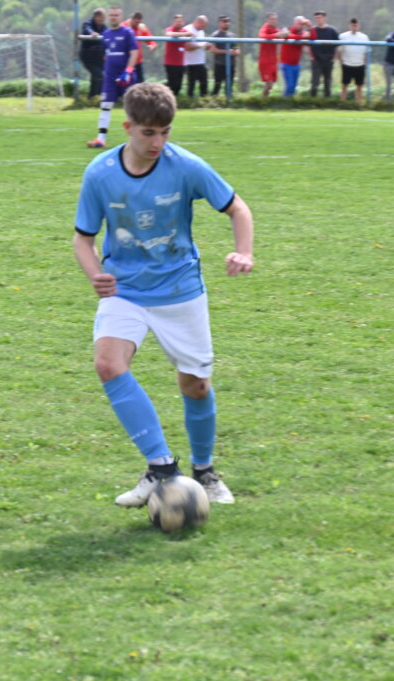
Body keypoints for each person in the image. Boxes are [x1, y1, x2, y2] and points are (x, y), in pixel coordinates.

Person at [73, 82, 254, 507]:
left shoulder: (185, 166)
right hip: (125, 291)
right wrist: (95, 274)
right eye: (148, 133)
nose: (157, 142)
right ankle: (161, 468)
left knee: (195, 385)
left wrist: (243, 251)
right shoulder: (100, 173)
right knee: (108, 364)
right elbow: (83, 239)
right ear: (128, 128)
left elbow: (238, 208)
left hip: (179, 289)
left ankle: (204, 472)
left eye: (165, 132)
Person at [86, 6, 139, 149]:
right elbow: (105, 55)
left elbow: (134, 53)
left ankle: (136, 140)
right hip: (110, 77)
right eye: (111, 15)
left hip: (126, 76)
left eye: (116, 15)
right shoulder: (106, 34)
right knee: (105, 106)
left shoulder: (127, 32)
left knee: (131, 107)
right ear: (108, 17)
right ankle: (100, 139)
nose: (113, 17)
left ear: (120, 17)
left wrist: (128, 72)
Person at [337, 18, 369, 103]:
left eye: (356, 25)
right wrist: (341, 62)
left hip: (360, 65)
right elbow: (339, 50)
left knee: (359, 86)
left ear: (359, 26)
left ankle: (358, 105)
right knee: (344, 86)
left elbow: (366, 52)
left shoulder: (364, 37)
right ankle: (342, 104)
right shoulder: (343, 36)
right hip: (347, 64)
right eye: (353, 25)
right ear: (349, 26)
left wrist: (365, 63)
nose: (354, 27)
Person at [78, 8, 107, 98]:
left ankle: (91, 97)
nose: (102, 19)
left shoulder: (104, 27)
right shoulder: (88, 23)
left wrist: (105, 54)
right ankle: (96, 97)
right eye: (100, 17)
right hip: (88, 57)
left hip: (99, 57)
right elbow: (87, 29)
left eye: (103, 17)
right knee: (99, 75)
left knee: (96, 76)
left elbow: (105, 42)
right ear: (95, 17)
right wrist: (92, 33)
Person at [279, 16, 311, 96]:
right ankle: (285, 101)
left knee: (293, 86)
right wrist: (302, 37)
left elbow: (312, 36)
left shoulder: (303, 33)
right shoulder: (287, 30)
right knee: (289, 86)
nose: (301, 26)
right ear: (295, 23)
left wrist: (309, 26)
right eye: (299, 24)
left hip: (296, 65)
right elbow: (288, 36)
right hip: (286, 64)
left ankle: (289, 101)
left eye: (303, 24)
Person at [308, 11, 338, 97]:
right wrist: (311, 57)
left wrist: (334, 58)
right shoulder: (312, 30)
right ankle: (312, 100)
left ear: (324, 18)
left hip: (329, 60)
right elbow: (307, 45)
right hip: (316, 60)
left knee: (327, 82)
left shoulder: (332, 31)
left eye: (319, 17)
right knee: (315, 82)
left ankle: (326, 100)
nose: (318, 19)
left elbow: (337, 46)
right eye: (316, 18)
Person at [257, 12, 287, 99]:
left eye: (275, 19)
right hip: (265, 61)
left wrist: (285, 34)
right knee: (269, 84)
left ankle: (265, 99)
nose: (274, 21)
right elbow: (262, 36)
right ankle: (262, 100)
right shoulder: (264, 28)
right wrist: (276, 35)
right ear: (267, 20)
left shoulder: (276, 29)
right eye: (272, 19)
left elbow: (283, 35)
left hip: (273, 61)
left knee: (272, 84)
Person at [121, 12, 156, 84]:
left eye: (139, 22)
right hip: (125, 62)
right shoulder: (123, 26)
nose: (137, 24)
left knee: (140, 84)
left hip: (137, 62)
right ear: (131, 19)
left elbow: (151, 41)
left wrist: (152, 46)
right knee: (124, 83)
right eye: (136, 22)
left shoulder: (141, 28)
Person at [209, 15, 240, 96]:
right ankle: (214, 100)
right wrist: (226, 51)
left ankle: (228, 100)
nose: (227, 23)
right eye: (224, 21)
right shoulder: (215, 35)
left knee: (229, 86)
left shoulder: (233, 36)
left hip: (231, 65)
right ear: (219, 23)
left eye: (228, 21)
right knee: (217, 85)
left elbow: (237, 49)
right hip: (219, 64)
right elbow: (212, 49)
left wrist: (235, 52)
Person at [163, 14, 193, 96]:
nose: (179, 23)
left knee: (178, 86)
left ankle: (172, 97)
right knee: (172, 84)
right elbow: (169, 34)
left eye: (180, 21)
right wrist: (183, 35)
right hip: (170, 63)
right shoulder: (170, 29)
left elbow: (191, 35)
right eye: (177, 21)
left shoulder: (184, 31)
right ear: (174, 22)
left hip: (180, 63)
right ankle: (165, 94)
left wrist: (188, 34)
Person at [183, 15, 210, 98]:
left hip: (201, 62)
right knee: (191, 85)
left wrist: (206, 46)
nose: (205, 27)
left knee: (204, 84)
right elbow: (187, 47)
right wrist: (200, 45)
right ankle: (189, 101)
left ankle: (204, 100)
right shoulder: (187, 29)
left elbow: (202, 45)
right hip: (191, 63)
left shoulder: (202, 32)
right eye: (204, 25)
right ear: (199, 22)